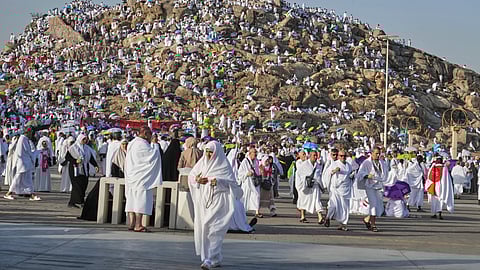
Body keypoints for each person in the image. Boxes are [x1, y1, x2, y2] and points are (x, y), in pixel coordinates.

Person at [189, 140, 242, 270]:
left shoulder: (223, 166)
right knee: (205, 228)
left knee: (215, 230)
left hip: (220, 202)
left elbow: (234, 186)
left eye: (211, 152)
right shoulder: (202, 164)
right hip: (205, 202)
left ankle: (211, 258)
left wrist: (218, 181)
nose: (208, 155)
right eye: (207, 152)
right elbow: (192, 176)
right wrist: (197, 180)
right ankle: (212, 258)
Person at [79, 140, 128, 221]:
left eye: (126, 144)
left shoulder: (129, 155)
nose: (125, 146)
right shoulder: (117, 155)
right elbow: (113, 168)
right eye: (123, 144)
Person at [124, 127, 162, 232]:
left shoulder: (132, 143)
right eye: (150, 135)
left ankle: (131, 223)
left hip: (132, 176)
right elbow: (152, 157)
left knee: (132, 199)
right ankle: (138, 224)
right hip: (141, 177)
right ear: (145, 134)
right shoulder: (142, 144)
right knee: (140, 200)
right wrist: (155, 145)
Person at [4, 129, 41, 201]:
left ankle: (31, 194)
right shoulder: (23, 139)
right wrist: (34, 155)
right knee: (18, 178)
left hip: (25, 162)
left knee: (27, 179)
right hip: (23, 163)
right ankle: (9, 193)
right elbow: (25, 152)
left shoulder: (24, 139)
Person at [356, 147, 387, 232]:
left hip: (378, 186)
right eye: (376, 153)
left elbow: (385, 174)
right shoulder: (366, 163)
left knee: (378, 206)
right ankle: (373, 224)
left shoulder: (382, 163)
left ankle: (367, 219)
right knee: (373, 204)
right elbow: (360, 173)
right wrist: (366, 175)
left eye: (379, 153)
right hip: (370, 186)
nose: (378, 155)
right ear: (372, 153)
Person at [64, 134, 99, 208]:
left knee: (84, 184)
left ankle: (76, 201)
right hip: (75, 169)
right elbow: (67, 157)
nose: (85, 141)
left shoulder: (87, 148)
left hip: (85, 168)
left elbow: (91, 158)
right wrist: (75, 160)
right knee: (77, 185)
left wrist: (95, 165)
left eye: (85, 139)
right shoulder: (73, 147)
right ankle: (77, 202)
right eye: (83, 139)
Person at [324, 149, 353, 231]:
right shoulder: (335, 164)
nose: (343, 157)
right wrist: (334, 171)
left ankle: (343, 224)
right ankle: (327, 218)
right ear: (338, 156)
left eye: (344, 156)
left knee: (345, 208)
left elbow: (351, 174)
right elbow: (328, 173)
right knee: (333, 205)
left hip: (345, 189)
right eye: (341, 156)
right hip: (335, 189)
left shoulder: (349, 165)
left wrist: (352, 176)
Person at [296, 149, 325, 224]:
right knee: (304, 200)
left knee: (317, 201)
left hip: (315, 187)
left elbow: (319, 176)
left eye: (316, 156)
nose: (315, 157)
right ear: (309, 156)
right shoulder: (304, 165)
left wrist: (321, 186)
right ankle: (303, 216)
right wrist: (303, 183)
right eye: (313, 155)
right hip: (305, 186)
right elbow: (299, 175)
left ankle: (320, 217)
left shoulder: (318, 165)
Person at [238, 147, 261, 217]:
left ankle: (257, 211)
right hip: (247, 183)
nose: (255, 154)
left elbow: (258, 170)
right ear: (250, 153)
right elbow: (240, 173)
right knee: (245, 197)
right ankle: (243, 211)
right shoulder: (245, 162)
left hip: (255, 182)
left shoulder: (256, 161)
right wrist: (247, 174)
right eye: (254, 153)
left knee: (256, 195)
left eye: (256, 152)